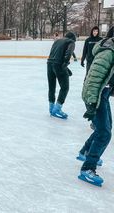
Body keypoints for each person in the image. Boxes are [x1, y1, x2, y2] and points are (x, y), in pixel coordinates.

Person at [77, 27, 114, 187]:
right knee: (104, 133)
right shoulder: (108, 52)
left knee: (105, 128)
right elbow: (93, 79)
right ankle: (87, 168)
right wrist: (92, 104)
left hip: (102, 94)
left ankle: (85, 151)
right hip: (95, 95)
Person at [47, 32, 76, 119]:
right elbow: (69, 52)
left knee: (51, 87)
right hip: (59, 65)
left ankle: (51, 108)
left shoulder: (57, 41)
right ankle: (57, 109)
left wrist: (66, 69)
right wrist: (65, 64)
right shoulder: (71, 42)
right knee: (65, 87)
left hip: (49, 64)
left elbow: (53, 55)